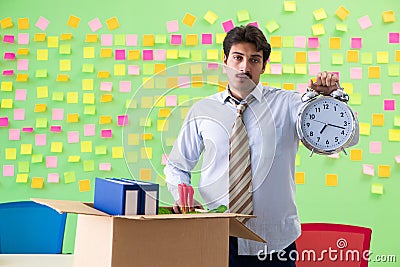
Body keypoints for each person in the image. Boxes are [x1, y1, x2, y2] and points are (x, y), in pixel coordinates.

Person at [164, 25, 359, 266]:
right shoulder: (203, 111)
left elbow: (348, 139)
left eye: (254, 60)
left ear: (263, 66)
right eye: (238, 58)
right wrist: (182, 192)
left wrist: (335, 98)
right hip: (215, 238)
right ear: (225, 61)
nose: (245, 67)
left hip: (275, 243)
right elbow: (176, 166)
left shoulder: (290, 105)